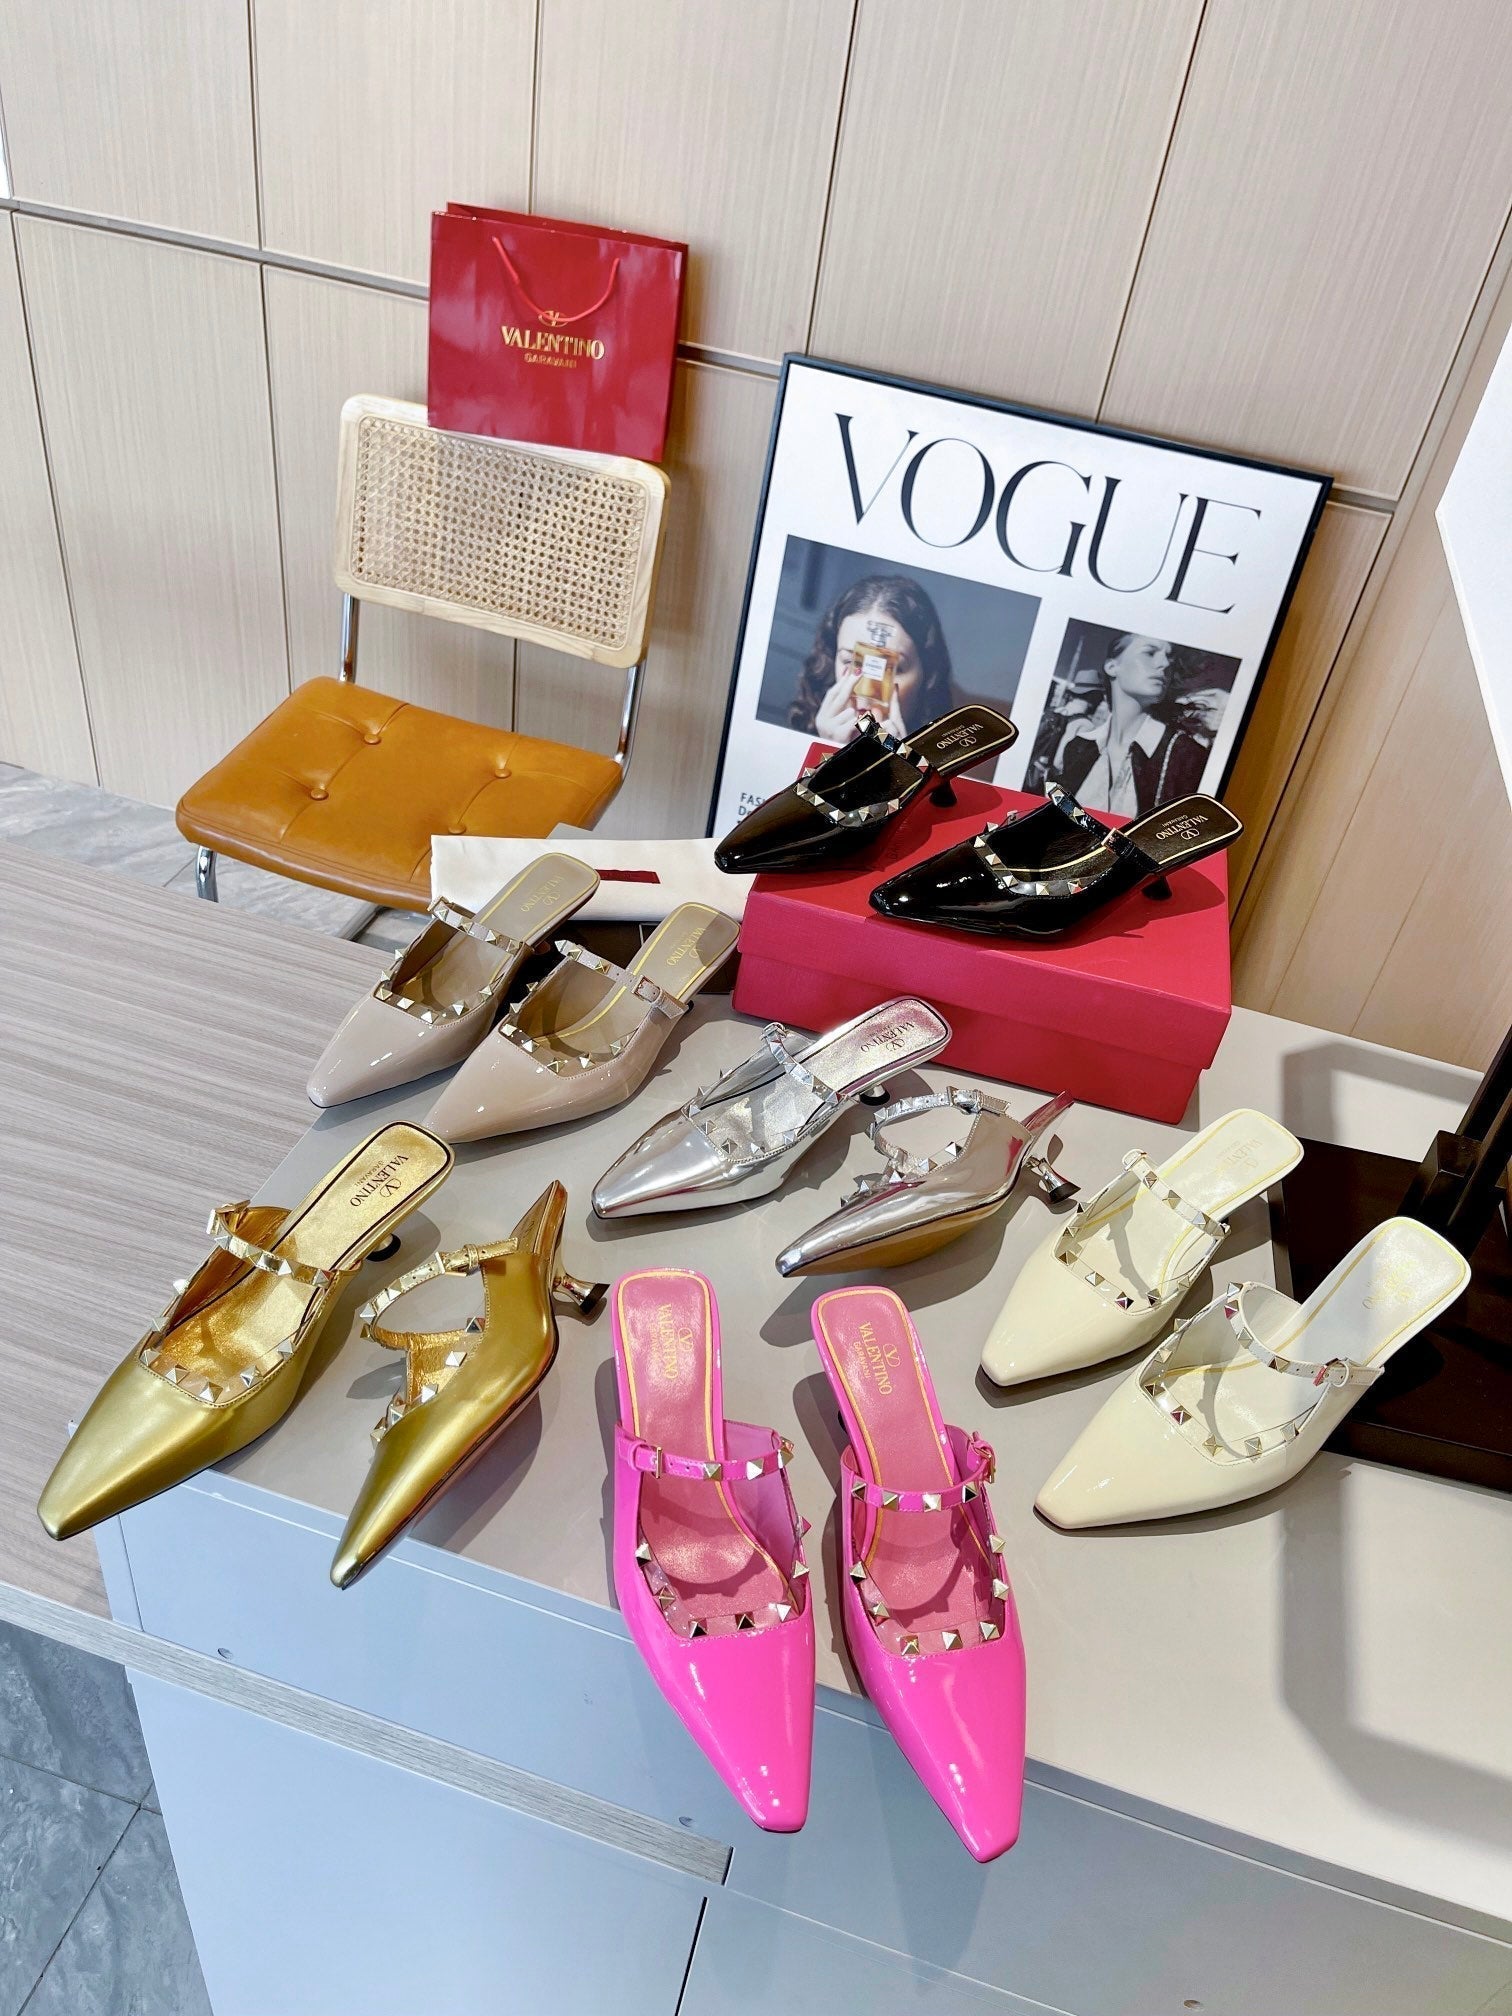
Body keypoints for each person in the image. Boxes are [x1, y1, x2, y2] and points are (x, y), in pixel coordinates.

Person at [1045, 632, 1206, 816]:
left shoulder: (1189, 758)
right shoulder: (1078, 747)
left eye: (1170, 657)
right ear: (1112, 667)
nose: (1165, 663)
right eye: (1150, 653)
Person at [788, 575, 954, 743]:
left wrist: (899, 755)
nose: (866, 694)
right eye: (851, 661)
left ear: (927, 677)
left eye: (892, 669)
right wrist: (828, 747)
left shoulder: (949, 751)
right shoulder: (799, 734)